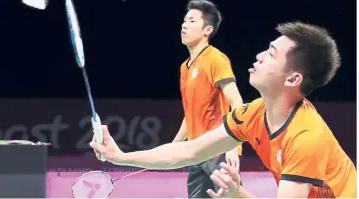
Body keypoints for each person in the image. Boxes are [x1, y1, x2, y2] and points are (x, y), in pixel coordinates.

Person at [90, 22, 356, 198]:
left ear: (293, 79)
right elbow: (189, 151)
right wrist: (120, 157)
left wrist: (238, 195)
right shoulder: (252, 114)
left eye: (272, 54)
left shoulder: (306, 138)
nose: (259, 56)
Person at [174, 0, 244, 198]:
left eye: (192, 21)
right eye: (185, 20)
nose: (184, 25)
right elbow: (191, 114)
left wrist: (233, 147)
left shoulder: (215, 59)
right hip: (197, 153)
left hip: (219, 150)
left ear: (207, 30)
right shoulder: (185, 67)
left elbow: (237, 103)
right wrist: (173, 146)